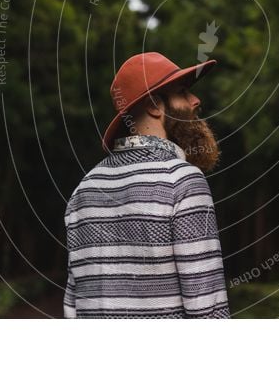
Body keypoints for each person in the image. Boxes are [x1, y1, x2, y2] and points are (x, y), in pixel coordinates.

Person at [63, 51, 230, 318]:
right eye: (184, 92)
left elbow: (73, 306)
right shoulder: (182, 181)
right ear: (154, 104)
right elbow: (207, 307)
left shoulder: (83, 190)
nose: (195, 100)